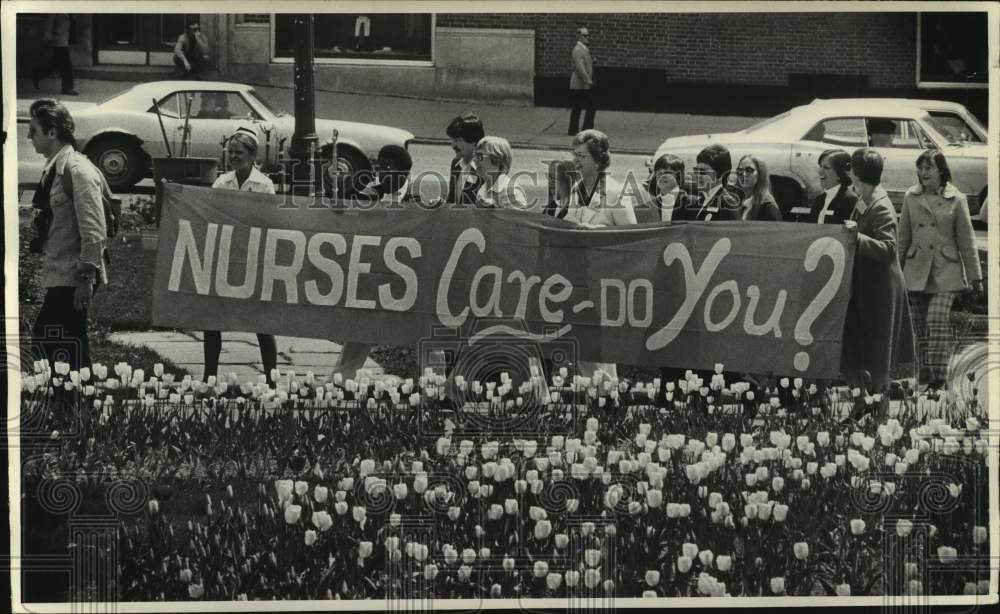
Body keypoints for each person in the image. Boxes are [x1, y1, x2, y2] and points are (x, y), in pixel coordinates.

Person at [27, 99, 108, 370]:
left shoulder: (77, 171)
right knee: (67, 344)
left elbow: (94, 229)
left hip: (74, 274)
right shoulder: (55, 167)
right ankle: (75, 405)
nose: (29, 136)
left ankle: (75, 405)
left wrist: (86, 279)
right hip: (62, 269)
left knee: (55, 341)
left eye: (34, 130)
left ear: (52, 132)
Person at [898, 149, 982, 390]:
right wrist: (896, 271)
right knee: (920, 329)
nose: (923, 173)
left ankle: (939, 378)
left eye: (928, 168)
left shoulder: (957, 199)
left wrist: (975, 277)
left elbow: (967, 241)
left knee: (937, 321)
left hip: (946, 272)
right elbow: (903, 238)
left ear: (941, 171)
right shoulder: (910, 197)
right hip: (915, 272)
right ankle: (924, 378)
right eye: (920, 168)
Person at [205, 128, 278, 384]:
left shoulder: (264, 184)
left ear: (252, 154)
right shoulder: (221, 182)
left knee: (260, 321)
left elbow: (269, 220)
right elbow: (211, 214)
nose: (234, 157)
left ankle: (271, 377)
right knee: (212, 318)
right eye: (230, 152)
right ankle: (209, 375)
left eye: (239, 152)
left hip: (253, 258)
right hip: (225, 256)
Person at [564, 130, 638, 381]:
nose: (576, 160)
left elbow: (632, 234)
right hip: (578, 275)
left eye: (582, 156)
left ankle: (606, 398)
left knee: (600, 341)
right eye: (574, 155)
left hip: (606, 277)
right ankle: (595, 393)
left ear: (598, 158)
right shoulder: (576, 189)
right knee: (581, 339)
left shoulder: (616, 191)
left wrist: (598, 231)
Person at [840, 148, 914, 398]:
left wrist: (856, 237)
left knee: (879, 352)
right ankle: (862, 401)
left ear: (857, 172)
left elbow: (888, 248)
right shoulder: (864, 197)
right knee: (854, 349)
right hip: (864, 286)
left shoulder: (880, 204)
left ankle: (880, 412)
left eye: (851, 166)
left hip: (880, 289)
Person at [674, 144, 743, 221]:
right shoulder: (699, 201)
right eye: (696, 171)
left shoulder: (728, 204)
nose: (698, 175)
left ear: (720, 175)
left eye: (703, 172)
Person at [473, 136, 528, 209]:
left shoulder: (511, 193)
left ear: (497, 160)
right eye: (475, 155)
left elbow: (520, 220)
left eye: (479, 156)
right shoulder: (485, 186)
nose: (474, 160)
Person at [807, 149, 858, 224]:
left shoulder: (851, 200)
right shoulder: (819, 200)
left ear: (840, 174)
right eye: (820, 166)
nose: (820, 171)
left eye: (826, 167)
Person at [32, 14, 77, 96]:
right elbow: (49, 24)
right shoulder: (55, 10)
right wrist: (47, 39)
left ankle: (37, 74)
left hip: (64, 40)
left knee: (55, 64)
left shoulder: (68, 11)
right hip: (57, 41)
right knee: (66, 65)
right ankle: (67, 88)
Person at [445, 113, 485, 206]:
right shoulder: (456, 164)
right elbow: (452, 201)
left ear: (473, 141)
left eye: (457, 140)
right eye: (452, 140)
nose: (453, 146)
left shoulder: (487, 167)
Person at [735, 154, 782, 221]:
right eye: (740, 170)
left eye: (749, 170)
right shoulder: (739, 202)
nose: (743, 174)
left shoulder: (769, 209)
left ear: (761, 174)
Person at [568, 27, 595, 136]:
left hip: (582, 84)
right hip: (580, 84)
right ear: (578, 36)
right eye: (585, 35)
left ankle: (575, 130)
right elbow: (580, 68)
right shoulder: (577, 50)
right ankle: (583, 129)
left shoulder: (584, 49)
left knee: (578, 107)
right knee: (587, 106)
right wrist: (588, 80)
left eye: (588, 35)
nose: (588, 37)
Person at [648, 153, 686, 223]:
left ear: (678, 176)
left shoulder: (692, 202)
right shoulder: (652, 204)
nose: (663, 176)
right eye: (659, 172)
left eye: (668, 172)